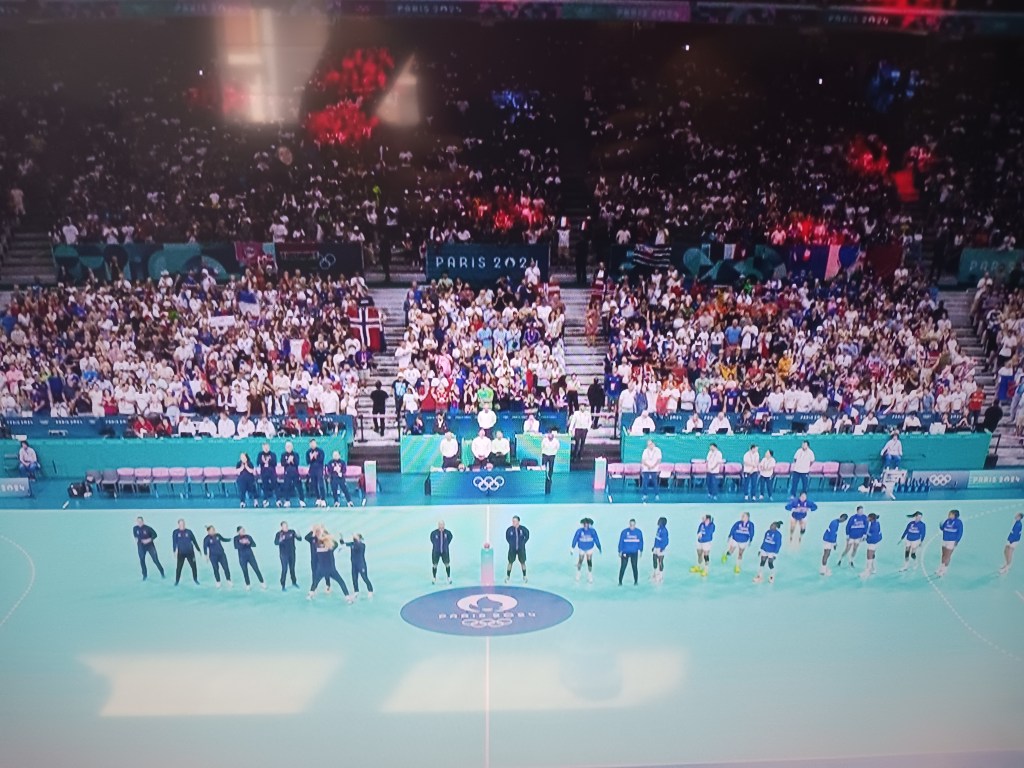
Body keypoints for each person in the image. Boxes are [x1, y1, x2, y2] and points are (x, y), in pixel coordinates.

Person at [308, 530, 354, 602]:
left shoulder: (317, 546)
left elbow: (316, 541)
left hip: (321, 570)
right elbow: (336, 544)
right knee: (341, 582)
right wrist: (329, 537)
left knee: (315, 583)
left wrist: (321, 536)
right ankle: (348, 598)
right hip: (331, 570)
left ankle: (310, 595)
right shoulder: (330, 547)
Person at [233, 526, 266, 591]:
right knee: (245, 571)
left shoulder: (248, 537)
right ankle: (248, 584)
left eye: (243, 530)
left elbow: (254, 544)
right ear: (238, 532)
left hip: (250, 556)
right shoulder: (236, 538)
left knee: (256, 569)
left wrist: (248, 543)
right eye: (241, 530)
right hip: (242, 557)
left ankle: (262, 582)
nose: (243, 531)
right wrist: (243, 543)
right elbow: (236, 546)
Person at [132, 516, 164, 580]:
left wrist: (148, 540)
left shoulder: (148, 528)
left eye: (140, 521)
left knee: (155, 560)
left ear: (143, 521)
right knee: (142, 560)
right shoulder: (135, 528)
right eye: (138, 521)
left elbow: (155, 535)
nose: (139, 523)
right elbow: (135, 535)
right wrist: (137, 540)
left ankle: (162, 572)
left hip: (150, 546)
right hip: (141, 546)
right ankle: (144, 575)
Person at [571, 517, 602, 583]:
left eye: (587, 524)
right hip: (581, 548)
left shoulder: (592, 531)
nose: (585, 525)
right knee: (580, 560)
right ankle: (578, 573)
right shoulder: (579, 531)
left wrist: (599, 547)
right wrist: (572, 547)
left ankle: (589, 575)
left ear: (589, 524)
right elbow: (575, 539)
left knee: (589, 561)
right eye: (584, 524)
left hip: (589, 548)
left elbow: (596, 539)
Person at [171, 519, 200, 586]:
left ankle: (195, 579)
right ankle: (177, 581)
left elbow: (194, 541)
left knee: (194, 567)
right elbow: (174, 542)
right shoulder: (175, 532)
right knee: (179, 568)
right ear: (178, 525)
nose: (182, 525)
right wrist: (174, 551)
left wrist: (198, 549)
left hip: (190, 552)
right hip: (181, 553)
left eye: (183, 524)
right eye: (181, 524)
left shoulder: (189, 532)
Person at [936, 509, 963, 577]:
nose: (949, 515)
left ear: (954, 515)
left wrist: (957, 541)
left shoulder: (958, 522)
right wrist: (941, 526)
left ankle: (944, 570)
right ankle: (941, 568)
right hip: (945, 539)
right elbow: (943, 528)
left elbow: (960, 532)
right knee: (943, 555)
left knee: (947, 556)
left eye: (950, 514)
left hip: (951, 541)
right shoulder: (947, 521)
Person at [274, 521, 301, 590]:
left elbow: (299, 539)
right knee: (284, 569)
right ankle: (283, 584)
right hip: (284, 555)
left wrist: (299, 535)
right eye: (284, 526)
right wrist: (280, 540)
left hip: (292, 553)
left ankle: (294, 582)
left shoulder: (292, 532)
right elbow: (276, 543)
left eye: (286, 526)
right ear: (281, 527)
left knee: (292, 569)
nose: (286, 527)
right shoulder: (279, 534)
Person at [346, 533, 374, 598]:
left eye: (355, 536)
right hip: (354, 565)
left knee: (364, 577)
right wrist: (341, 538)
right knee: (354, 578)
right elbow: (343, 544)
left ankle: (370, 590)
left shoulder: (362, 545)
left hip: (361, 564)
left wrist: (355, 539)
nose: (353, 537)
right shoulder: (352, 544)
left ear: (359, 538)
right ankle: (356, 591)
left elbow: (357, 546)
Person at [617, 518, 644, 586]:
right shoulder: (624, 532)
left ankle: (636, 581)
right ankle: (620, 581)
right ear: (629, 524)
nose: (632, 526)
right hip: (625, 552)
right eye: (631, 525)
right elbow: (621, 542)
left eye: (633, 525)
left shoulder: (638, 532)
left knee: (634, 566)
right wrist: (620, 551)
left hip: (634, 552)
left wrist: (641, 550)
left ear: (635, 525)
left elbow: (641, 542)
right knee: (623, 566)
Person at [279, 441, 306, 507]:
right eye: (287, 446)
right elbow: (282, 463)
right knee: (286, 487)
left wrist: (292, 461)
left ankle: (302, 500)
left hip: (295, 473)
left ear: (292, 447)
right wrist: (288, 461)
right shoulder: (283, 455)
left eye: (290, 446)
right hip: (287, 473)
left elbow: (297, 463)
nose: (288, 448)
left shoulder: (295, 454)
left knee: (299, 487)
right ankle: (287, 501)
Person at [505, 516, 530, 583]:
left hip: (521, 549)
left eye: (515, 521)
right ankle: (508, 576)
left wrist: (523, 543)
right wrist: (511, 544)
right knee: (510, 562)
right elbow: (507, 538)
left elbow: (527, 535)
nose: (513, 522)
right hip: (512, 549)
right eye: (513, 521)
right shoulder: (509, 530)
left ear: (518, 521)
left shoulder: (523, 529)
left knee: (523, 562)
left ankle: (524, 576)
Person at [430, 520, 453, 584]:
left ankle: (448, 577)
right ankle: (434, 578)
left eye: (442, 525)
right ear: (438, 525)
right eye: (440, 525)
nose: (441, 526)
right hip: (436, 552)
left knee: (447, 564)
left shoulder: (448, 533)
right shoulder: (434, 533)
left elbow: (450, 538)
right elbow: (432, 540)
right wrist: (436, 545)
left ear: (444, 525)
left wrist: (445, 545)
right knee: (435, 565)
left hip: (445, 552)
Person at [256, 443, 278, 507]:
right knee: (265, 485)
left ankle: (278, 499)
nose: (266, 448)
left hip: (272, 472)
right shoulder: (260, 454)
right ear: (262, 448)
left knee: (275, 484)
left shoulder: (273, 454)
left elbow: (275, 463)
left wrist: (269, 461)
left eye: (267, 447)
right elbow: (258, 463)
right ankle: (265, 500)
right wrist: (263, 461)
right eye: (264, 447)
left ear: (269, 447)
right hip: (264, 472)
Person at [306, 439, 326, 507]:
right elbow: (308, 461)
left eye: (313, 443)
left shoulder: (320, 451)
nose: (312, 445)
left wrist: (315, 457)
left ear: (316, 443)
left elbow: (321, 460)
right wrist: (311, 458)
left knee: (321, 484)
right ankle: (318, 498)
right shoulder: (308, 452)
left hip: (319, 469)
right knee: (314, 484)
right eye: (311, 444)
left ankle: (323, 499)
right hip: (312, 469)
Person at [862, 514, 883, 578]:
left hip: (873, 542)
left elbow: (872, 536)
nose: (867, 518)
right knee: (872, 555)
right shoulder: (875, 523)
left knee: (869, 556)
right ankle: (873, 569)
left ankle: (868, 571)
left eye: (868, 517)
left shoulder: (874, 526)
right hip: (875, 541)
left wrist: (866, 539)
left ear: (871, 518)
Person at [651, 516, 669, 582]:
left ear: (662, 522)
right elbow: (656, 538)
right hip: (656, 547)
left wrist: (662, 548)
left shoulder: (664, 531)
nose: (658, 521)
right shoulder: (658, 529)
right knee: (654, 559)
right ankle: (655, 573)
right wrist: (654, 546)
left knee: (660, 561)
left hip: (661, 548)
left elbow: (666, 541)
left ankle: (661, 576)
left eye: (659, 521)